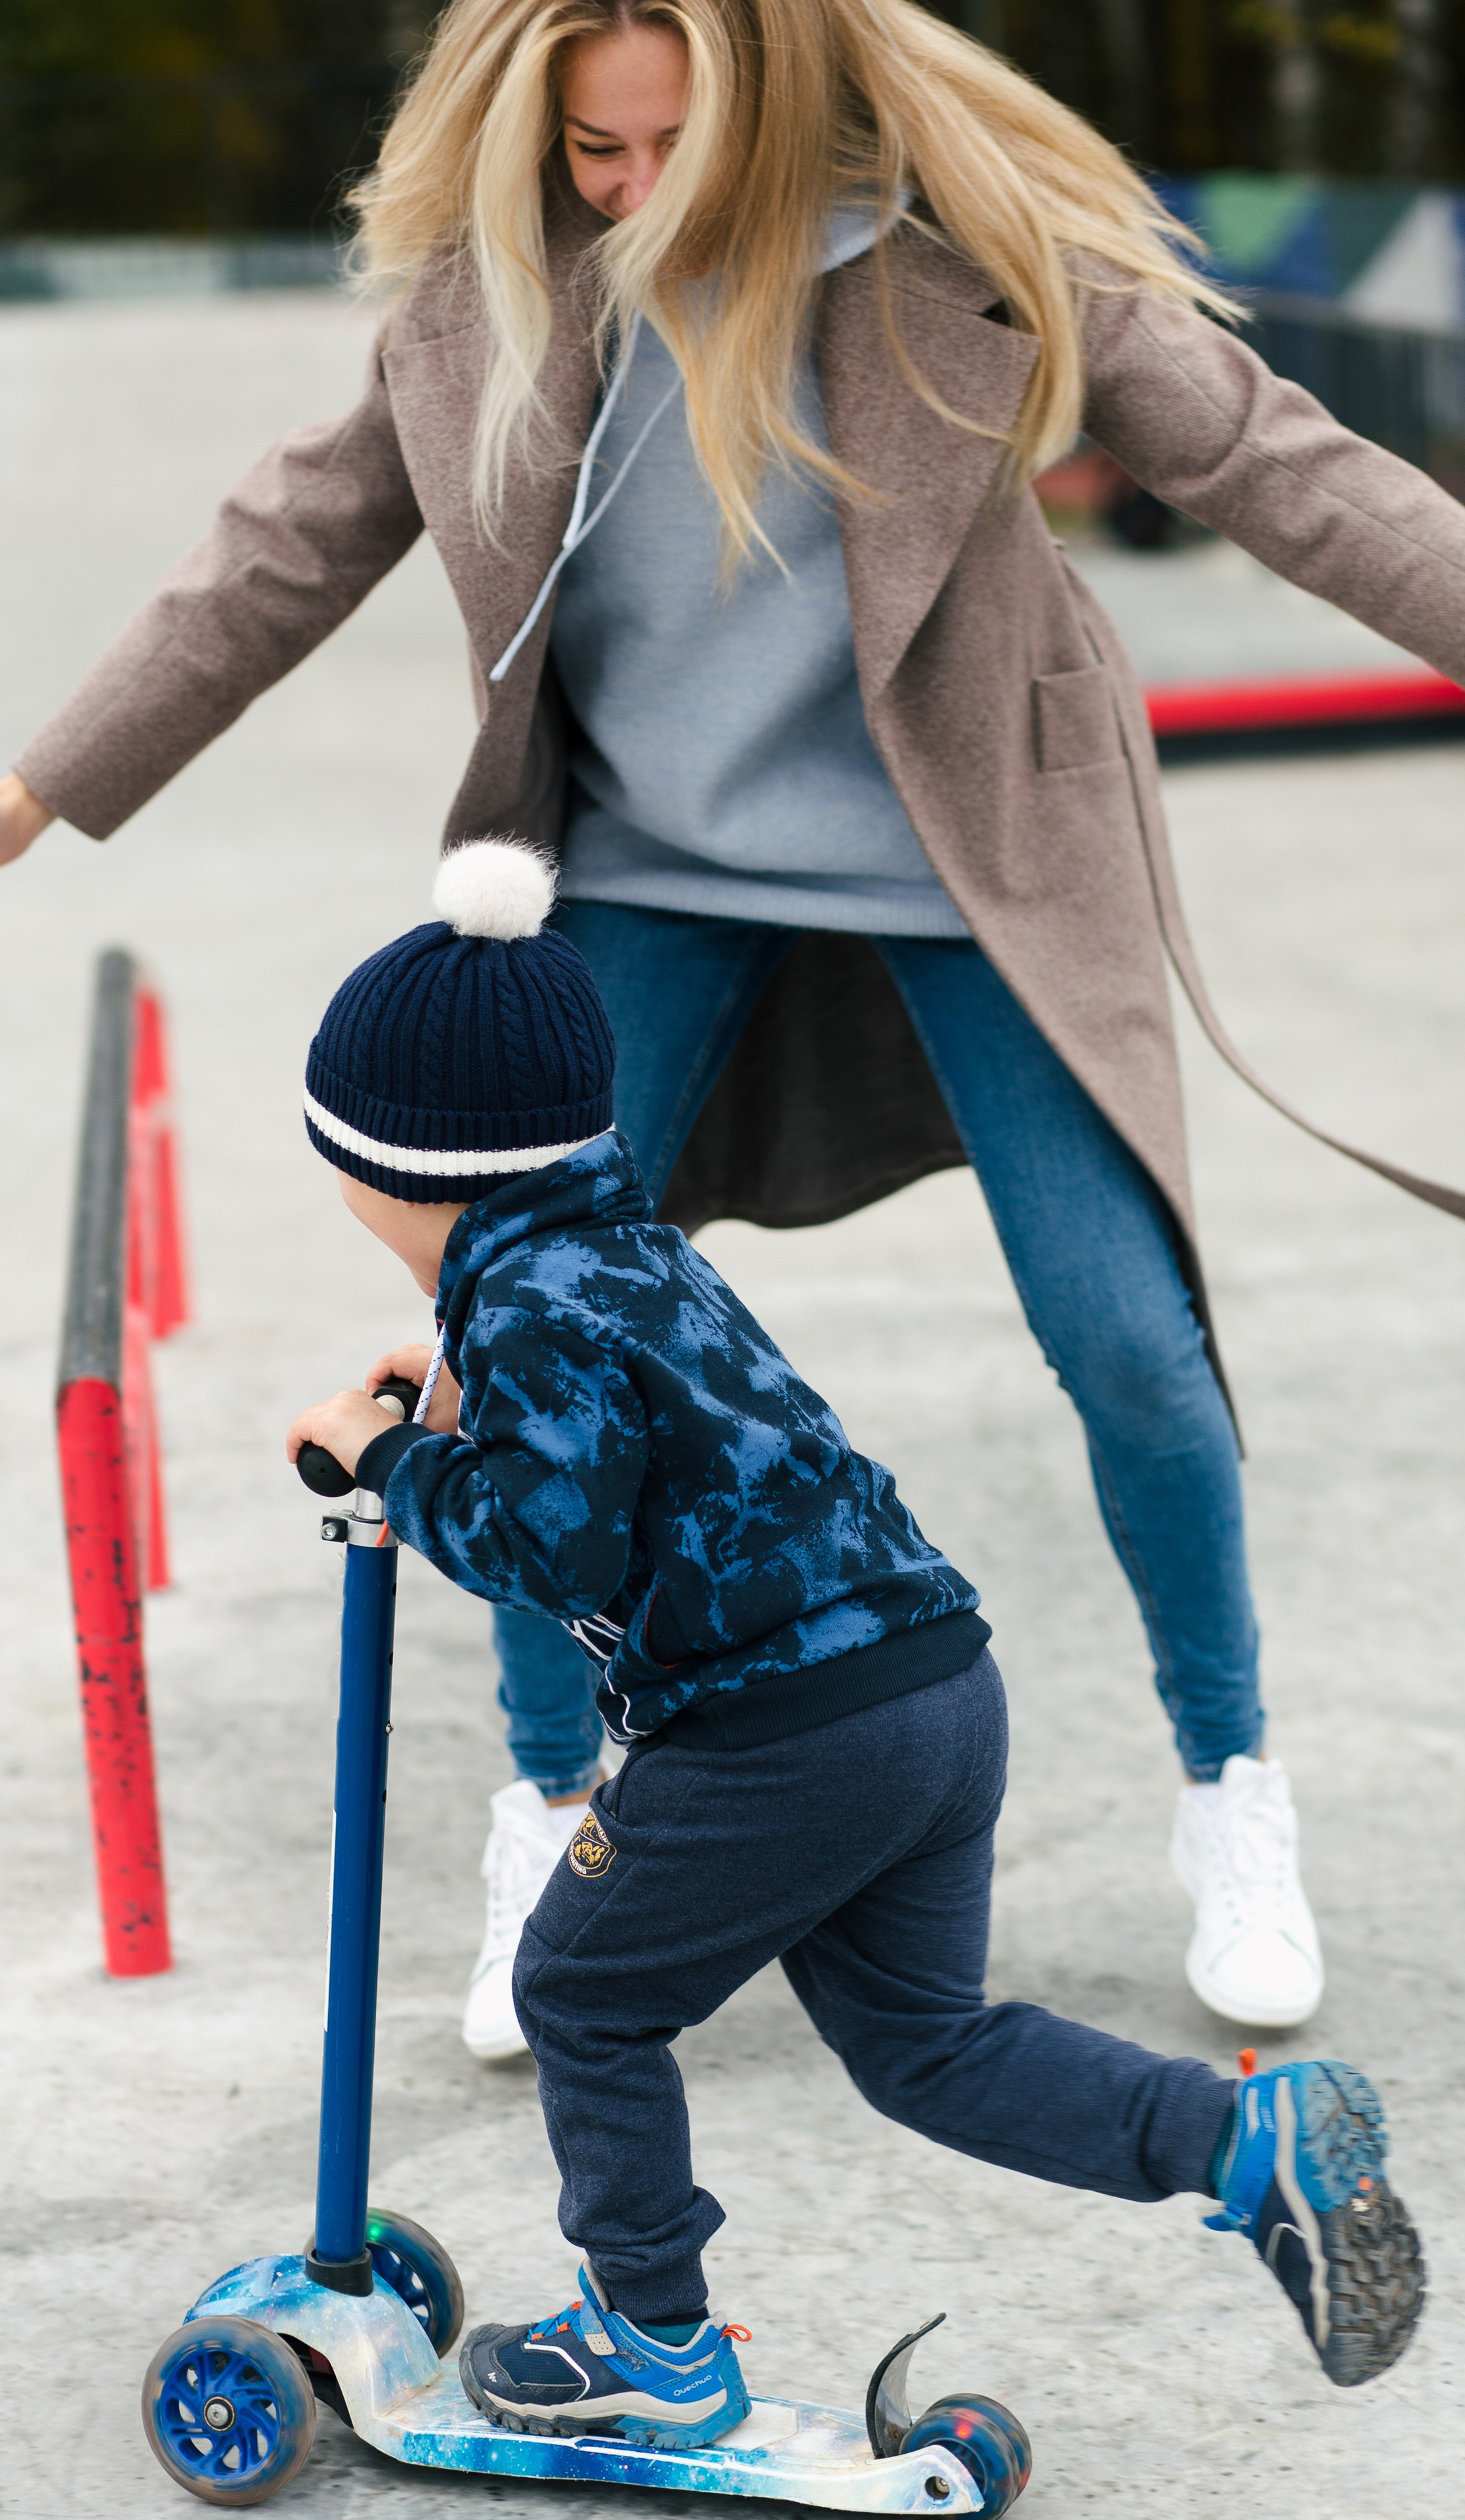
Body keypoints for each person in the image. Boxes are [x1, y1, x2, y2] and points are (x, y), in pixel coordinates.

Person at [0, 0, 1465, 2047]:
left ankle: (1230, 1790)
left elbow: (1278, 462)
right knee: (531, 1332)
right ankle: (561, 1813)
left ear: (788, 109)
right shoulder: (495, 299)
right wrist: (32, 799)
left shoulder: (979, 245)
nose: (634, 188)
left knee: (1127, 1331)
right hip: (646, 865)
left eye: (677, 143)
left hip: (976, 860)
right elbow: (287, 548)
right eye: (595, 151)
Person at [284, 841, 1424, 2450]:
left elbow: (557, 1544)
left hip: (778, 1732)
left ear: (399, 1170)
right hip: (933, 1685)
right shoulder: (619, 1245)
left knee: (582, 1997)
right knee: (925, 2048)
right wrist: (462, 1394)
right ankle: (1242, 2142)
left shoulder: (526, 1307)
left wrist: (389, 1461)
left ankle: (652, 2342)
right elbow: (645, 1426)